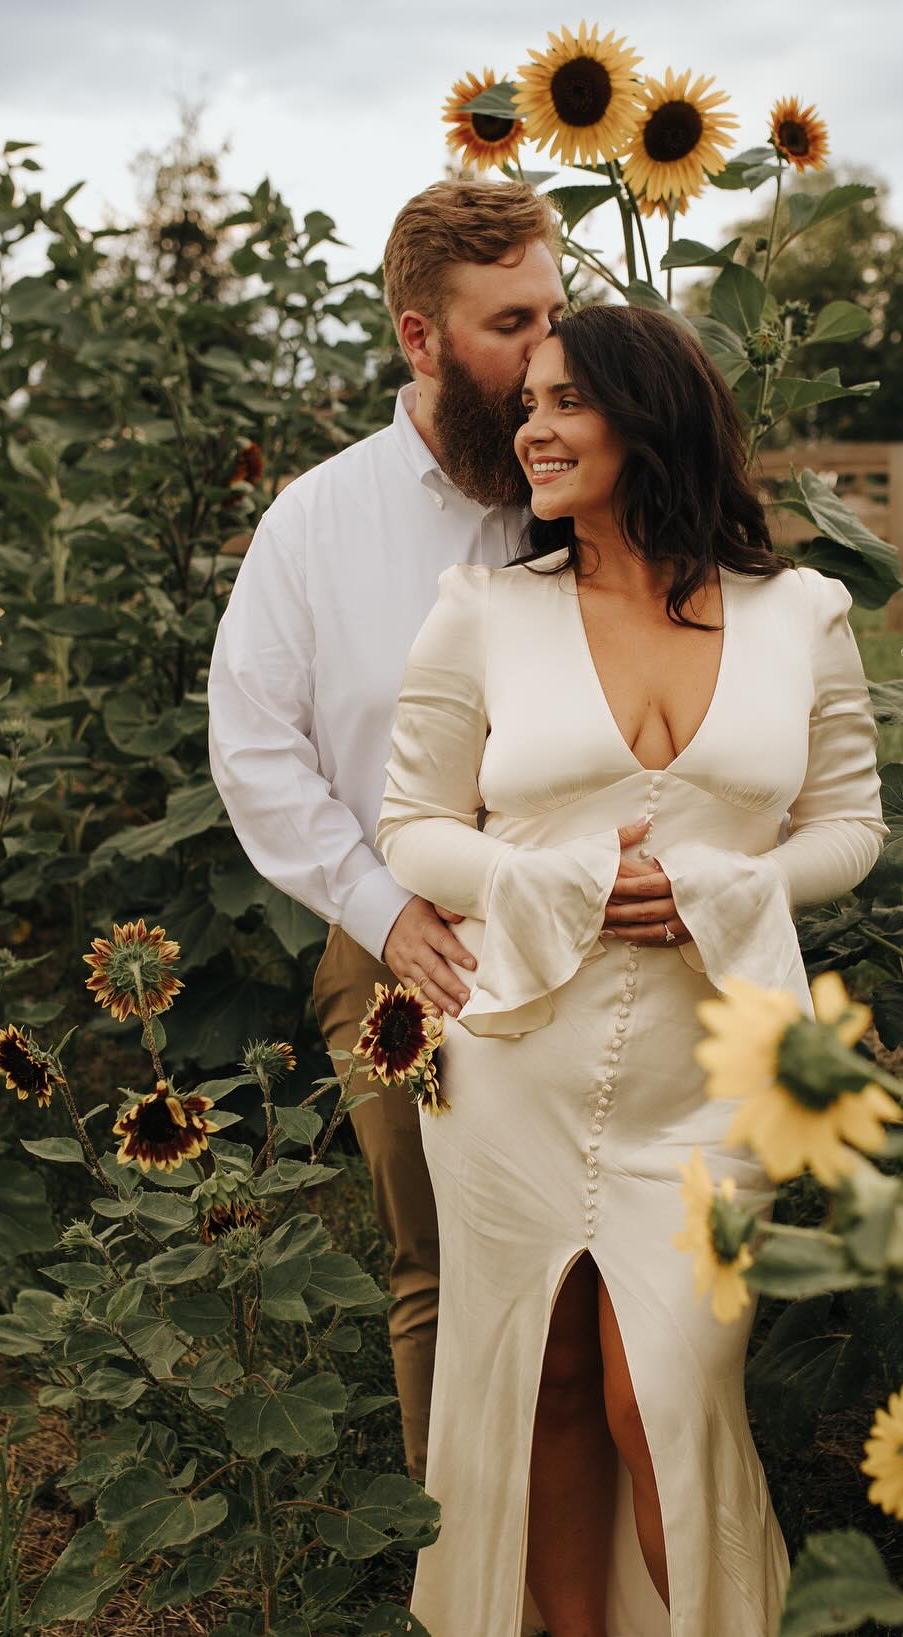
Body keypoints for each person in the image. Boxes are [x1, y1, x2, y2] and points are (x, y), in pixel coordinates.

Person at [375, 304, 888, 1637]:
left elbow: (846, 823)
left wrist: (735, 888)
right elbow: (412, 824)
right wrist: (566, 881)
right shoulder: (482, 611)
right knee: (539, 1368)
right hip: (516, 1052)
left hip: (710, 1061)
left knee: (668, 1388)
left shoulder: (801, 611)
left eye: (562, 407)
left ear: (648, 421)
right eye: (525, 406)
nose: (529, 433)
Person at [207, 179, 569, 1480]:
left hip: (586, 924)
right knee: (439, 1269)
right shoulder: (319, 523)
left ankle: (592, 1554)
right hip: (397, 949)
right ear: (421, 340)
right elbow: (253, 750)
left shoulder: (587, 487)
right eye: (510, 325)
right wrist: (383, 912)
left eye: (556, 313)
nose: (547, 355)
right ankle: (466, 1592)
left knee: (595, 1258)